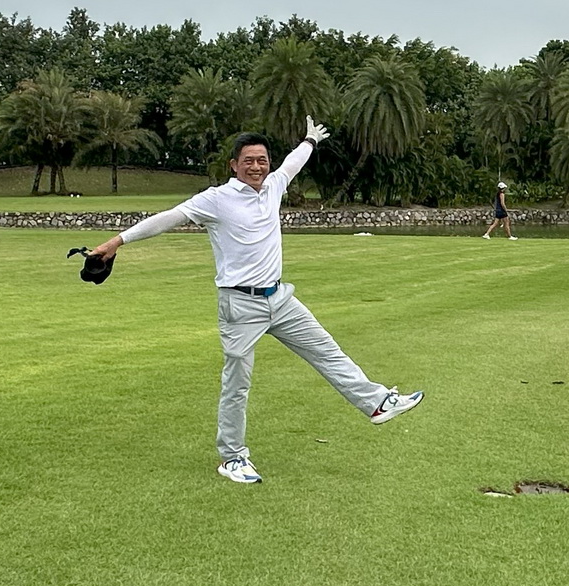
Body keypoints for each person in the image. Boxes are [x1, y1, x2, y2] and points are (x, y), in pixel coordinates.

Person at [91, 117, 424, 484]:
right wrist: (116, 242)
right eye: (248, 160)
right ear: (234, 165)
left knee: (328, 351)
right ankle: (232, 458)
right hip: (240, 306)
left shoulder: (273, 186)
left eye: (262, 160)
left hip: (280, 299)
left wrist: (310, 140)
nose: (256, 166)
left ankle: (377, 403)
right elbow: (169, 218)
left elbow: (293, 163)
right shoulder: (216, 199)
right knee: (237, 385)